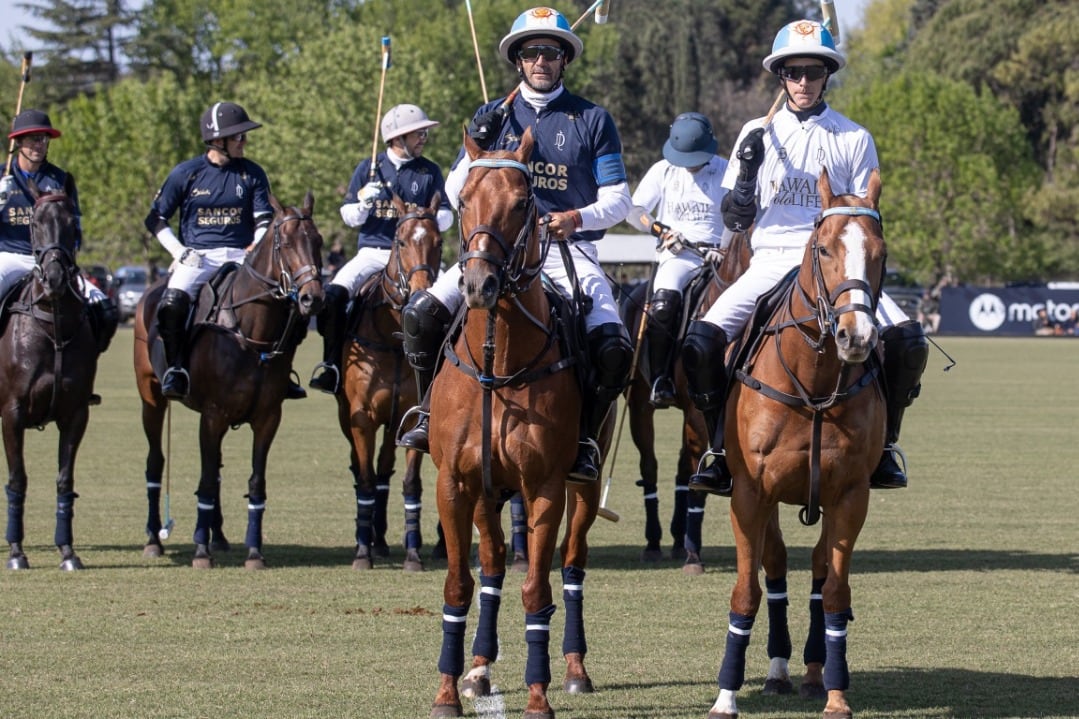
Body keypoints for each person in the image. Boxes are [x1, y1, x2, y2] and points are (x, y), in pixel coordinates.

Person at [682, 19, 929, 496]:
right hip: (773, 256)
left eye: (812, 72)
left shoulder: (853, 137)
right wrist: (749, 169)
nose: (802, 82)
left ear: (826, 75)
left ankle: (884, 447)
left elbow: (864, 216)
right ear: (781, 77)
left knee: (909, 342)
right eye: (792, 72)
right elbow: (735, 217)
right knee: (700, 342)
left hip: (835, 262)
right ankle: (717, 447)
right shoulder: (756, 132)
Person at [396, 6, 634, 483]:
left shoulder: (591, 118)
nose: (541, 61)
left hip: (569, 253)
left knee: (612, 347)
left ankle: (584, 440)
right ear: (518, 61)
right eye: (532, 53)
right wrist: (476, 143)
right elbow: (457, 192)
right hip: (495, 254)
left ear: (564, 59)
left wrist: (575, 218)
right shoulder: (493, 118)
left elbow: (620, 199)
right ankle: (426, 414)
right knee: (421, 316)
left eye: (550, 52)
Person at [144, 101, 306, 400]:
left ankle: (283, 371)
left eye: (244, 136)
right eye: (238, 137)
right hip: (198, 256)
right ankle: (176, 369)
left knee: (292, 305)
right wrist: (179, 252)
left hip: (241, 256)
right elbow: (155, 219)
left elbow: (262, 218)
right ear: (217, 140)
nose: (244, 142)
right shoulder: (186, 173)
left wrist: (257, 244)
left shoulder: (252, 173)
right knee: (171, 303)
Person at [309, 104, 453, 394]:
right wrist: (363, 203)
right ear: (397, 139)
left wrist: (424, 217)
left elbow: (448, 217)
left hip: (417, 257)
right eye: (418, 133)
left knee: (452, 302)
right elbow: (348, 217)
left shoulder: (429, 171)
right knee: (334, 296)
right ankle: (332, 365)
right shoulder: (369, 168)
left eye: (424, 132)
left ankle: (444, 372)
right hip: (374, 252)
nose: (424, 137)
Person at [0, 109, 118, 403]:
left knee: (104, 308)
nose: (39, 144)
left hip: (54, 261)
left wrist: (64, 257)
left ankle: (82, 378)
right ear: (18, 142)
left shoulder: (60, 179)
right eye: (32, 139)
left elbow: (75, 228)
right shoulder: (2, 178)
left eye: (43, 139)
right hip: (11, 257)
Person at [626, 111, 729, 408]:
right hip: (679, 256)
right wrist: (661, 231)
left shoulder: (726, 170)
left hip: (718, 257)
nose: (690, 165)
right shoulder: (663, 170)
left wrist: (725, 246)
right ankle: (661, 378)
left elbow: (742, 217)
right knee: (663, 302)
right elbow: (635, 211)